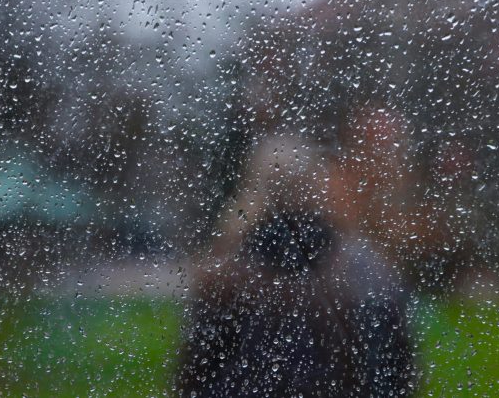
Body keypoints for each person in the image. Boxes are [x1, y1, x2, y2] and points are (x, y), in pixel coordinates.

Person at [177, 135, 415, 397]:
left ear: (253, 189)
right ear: (318, 188)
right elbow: (391, 373)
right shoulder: (362, 269)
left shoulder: (226, 273)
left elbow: (196, 376)